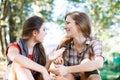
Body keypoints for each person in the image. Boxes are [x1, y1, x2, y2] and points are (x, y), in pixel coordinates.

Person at [4, 16, 65, 80]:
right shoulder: (14, 47)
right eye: (44, 30)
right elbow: (14, 56)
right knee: (19, 64)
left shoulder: (38, 51)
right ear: (35, 32)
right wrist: (42, 69)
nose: (45, 33)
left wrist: (49, 60)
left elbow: (40, 78)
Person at [49, 11, 104, 80]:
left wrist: (67, 69)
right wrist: (58, 63)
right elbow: (55, 71)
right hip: (71, 78)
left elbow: (99, 63)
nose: (64, 27)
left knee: (86, 63)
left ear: (79, 25)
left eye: (68, 23)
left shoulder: (94, 43)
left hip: (87, 78)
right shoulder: (64, 45)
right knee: (64, 77)